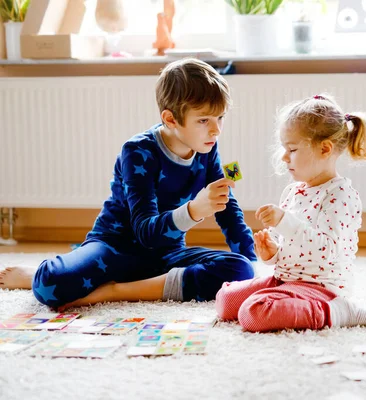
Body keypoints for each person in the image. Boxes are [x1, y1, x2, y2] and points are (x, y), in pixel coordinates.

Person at [0, 59, 256, 309]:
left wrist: (253, 260)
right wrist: (193, 211)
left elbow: (227, 205)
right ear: (170, 119)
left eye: (220, 118)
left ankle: (114, 291)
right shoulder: (137, 151)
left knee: (241, 269)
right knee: (50, 284)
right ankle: (34, 273)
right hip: (114, 248)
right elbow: (145, 231)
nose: (216, 130)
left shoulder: (208, 147)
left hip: (166, 254)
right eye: (204, 120)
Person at [215, 94, 366, 332]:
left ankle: (336, 310)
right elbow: (290, 247)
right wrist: (272, 252)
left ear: (325, 149)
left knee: (253, 313)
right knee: (225, 300)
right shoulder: (293, 191)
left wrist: (284, 221)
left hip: (321, 288)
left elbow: (326, 251)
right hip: (287, 279)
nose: (284, 157)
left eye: (292, 149)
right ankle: (287, 299)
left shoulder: (340, 195)